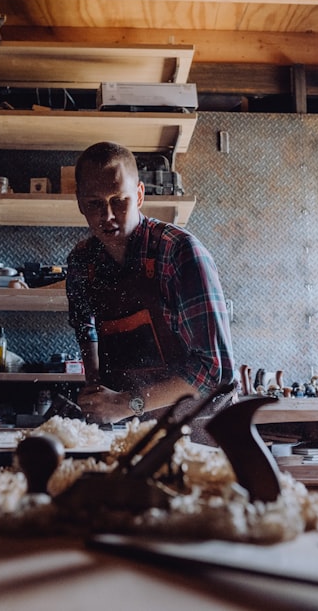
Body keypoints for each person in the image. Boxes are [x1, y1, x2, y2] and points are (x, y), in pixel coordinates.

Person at [66, 141, 236, 425]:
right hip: (131, 428)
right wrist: (95, 393)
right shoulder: (82, 262)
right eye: (94, 203)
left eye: (119, 200)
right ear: (79, 202)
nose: (107, 215)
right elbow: (85, 328)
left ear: (140, 195)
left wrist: (125, 403)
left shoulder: (180, 253)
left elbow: (214, 371)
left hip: (200, 427)